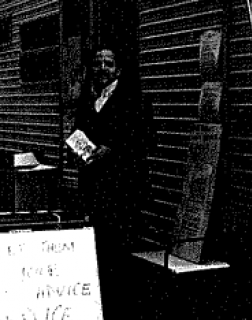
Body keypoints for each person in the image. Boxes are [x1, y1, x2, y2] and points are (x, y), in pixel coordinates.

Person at [71, 45, 154, 318]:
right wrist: (78, 151)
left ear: (118, 69)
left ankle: (124, 305)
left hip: (123, 186)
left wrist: (113, 148)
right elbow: (77, 131)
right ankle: (102, 301)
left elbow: (146, 137)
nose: (102, 68)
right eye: (97, 63)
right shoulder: (87, 99)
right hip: (95, 185)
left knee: (121, 247)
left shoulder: (134, 98)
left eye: (108, 63)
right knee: (98, 245)